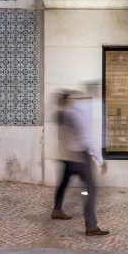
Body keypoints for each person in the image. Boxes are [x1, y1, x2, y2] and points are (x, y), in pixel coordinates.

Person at [51, 89, 109, 236]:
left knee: (63, 183)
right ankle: (91, 226)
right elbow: (86, 138)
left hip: (65, 156)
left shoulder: (58, 115)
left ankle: (57, 210)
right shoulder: (75, 115)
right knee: (90, 190)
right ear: (69, 100)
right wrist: (99, 159)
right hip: (80, 158)